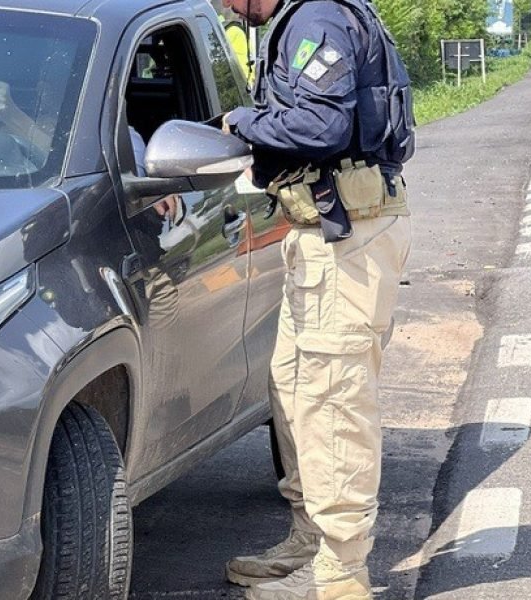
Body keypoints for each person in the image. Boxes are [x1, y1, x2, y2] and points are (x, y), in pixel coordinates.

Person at [217, 0, 415, 599]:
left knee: (333, 404)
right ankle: (310, 541)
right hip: (324, 235)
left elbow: (322, 127)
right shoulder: (305, 19)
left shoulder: (316, 20)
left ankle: (340, 575)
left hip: (347, 240)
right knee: (295, 388)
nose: (223, 5)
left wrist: (241, 123)